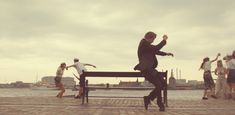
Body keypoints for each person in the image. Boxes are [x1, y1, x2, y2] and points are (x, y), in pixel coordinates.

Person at [134, 31, 173, 112]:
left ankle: (148, 98)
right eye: (153, 39)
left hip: (151, 70)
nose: (153, 41)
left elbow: (155, 51)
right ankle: (160, 104)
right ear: (149, 38)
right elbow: (155, 48)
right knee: (159, 85)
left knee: (163, 84)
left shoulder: (147, 45)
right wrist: (164, 40)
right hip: (146, 70)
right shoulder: (143, 44)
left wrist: (166, 54)